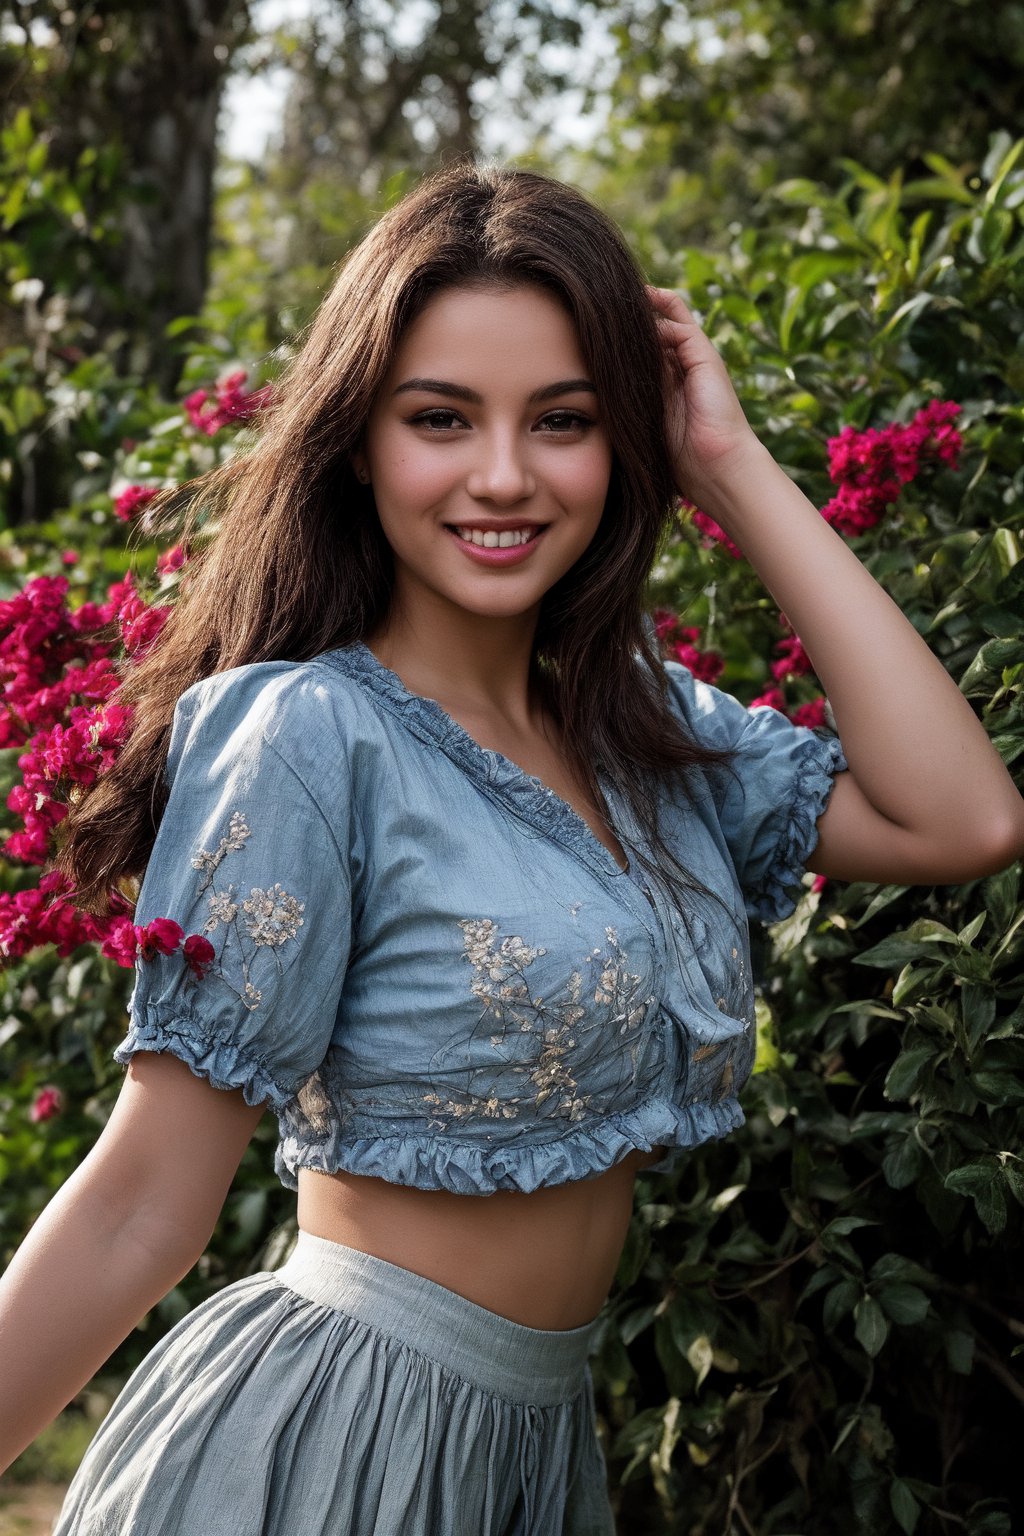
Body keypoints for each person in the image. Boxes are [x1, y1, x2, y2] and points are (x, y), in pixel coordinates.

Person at [1, 161, 1021, 1536]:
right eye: (439, 419)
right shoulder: (311, 735)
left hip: (536, 1457)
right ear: (357, 439)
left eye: (565, 421)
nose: (503, 476)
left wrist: (730, 464)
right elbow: (139, 1204)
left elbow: (966, 819)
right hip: (332, 1447)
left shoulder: (639, 732)